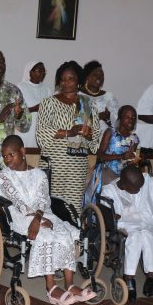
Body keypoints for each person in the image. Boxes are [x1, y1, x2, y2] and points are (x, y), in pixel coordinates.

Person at [0, 135, 95, 305]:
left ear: (23, 151)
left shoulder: (40, 174)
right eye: (4, 156)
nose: (7, 160)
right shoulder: (4, 176)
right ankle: (50, 287)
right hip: (18, 217)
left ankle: (70, 284)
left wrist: (39, 217)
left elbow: (43, 199)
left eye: (11, 154)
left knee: (64, 233)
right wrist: (36, 220)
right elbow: (17, 202)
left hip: (43, 214)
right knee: (46, 235)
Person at [35, 60, 100, 209]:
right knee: (50, 206)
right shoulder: (49, 102)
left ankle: (73, 232)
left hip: (77, 166)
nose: (66, 83)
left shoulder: (89, 104)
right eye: (62, 79)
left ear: (79, 81)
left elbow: (95, 138)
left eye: (70, 78)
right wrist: (69, 132)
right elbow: (41, 132)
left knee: (73, 208)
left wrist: (89, 134)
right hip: (55, 164)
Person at [101, 165, 153, 301]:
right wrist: (113, 215)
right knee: (135, 238)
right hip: (126, 223)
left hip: (144, 220)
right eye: (135, 189)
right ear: (124, 185)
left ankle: (151, 275)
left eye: (139, 187)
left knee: (150, 235)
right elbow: (107, 213)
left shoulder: (141, 181)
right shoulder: (109, 191)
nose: (138, 191)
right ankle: (129, 277)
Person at [83, 105, 140, 207]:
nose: (131, 120)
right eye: (127, 117)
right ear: (120, 118)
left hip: (123, 176)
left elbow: (129, 161)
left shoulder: (134, 139)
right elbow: (100, 156)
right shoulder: (111, 132)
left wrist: (133, 160)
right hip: (106, 171)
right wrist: (121, 156)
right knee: (107, 197)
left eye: (133, 118)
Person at [16, 61, 52, 149]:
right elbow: (16, 111)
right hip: (26, 130)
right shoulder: (21, 87)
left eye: (44, 71)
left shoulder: (47, 90)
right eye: (39, 71)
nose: (42, 73)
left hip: (41, 131)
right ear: (30, 72)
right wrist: (33, 109)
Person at [79, 60, 119, 131]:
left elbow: (117, 124)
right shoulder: (78, 95)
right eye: (95, 74)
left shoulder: (109, 96)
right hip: (85, 136)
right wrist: (98, 116)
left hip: (107, 136)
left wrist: (108, 119)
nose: (99, 77)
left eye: (101, 75)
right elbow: (77, 121)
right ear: (87, 77)